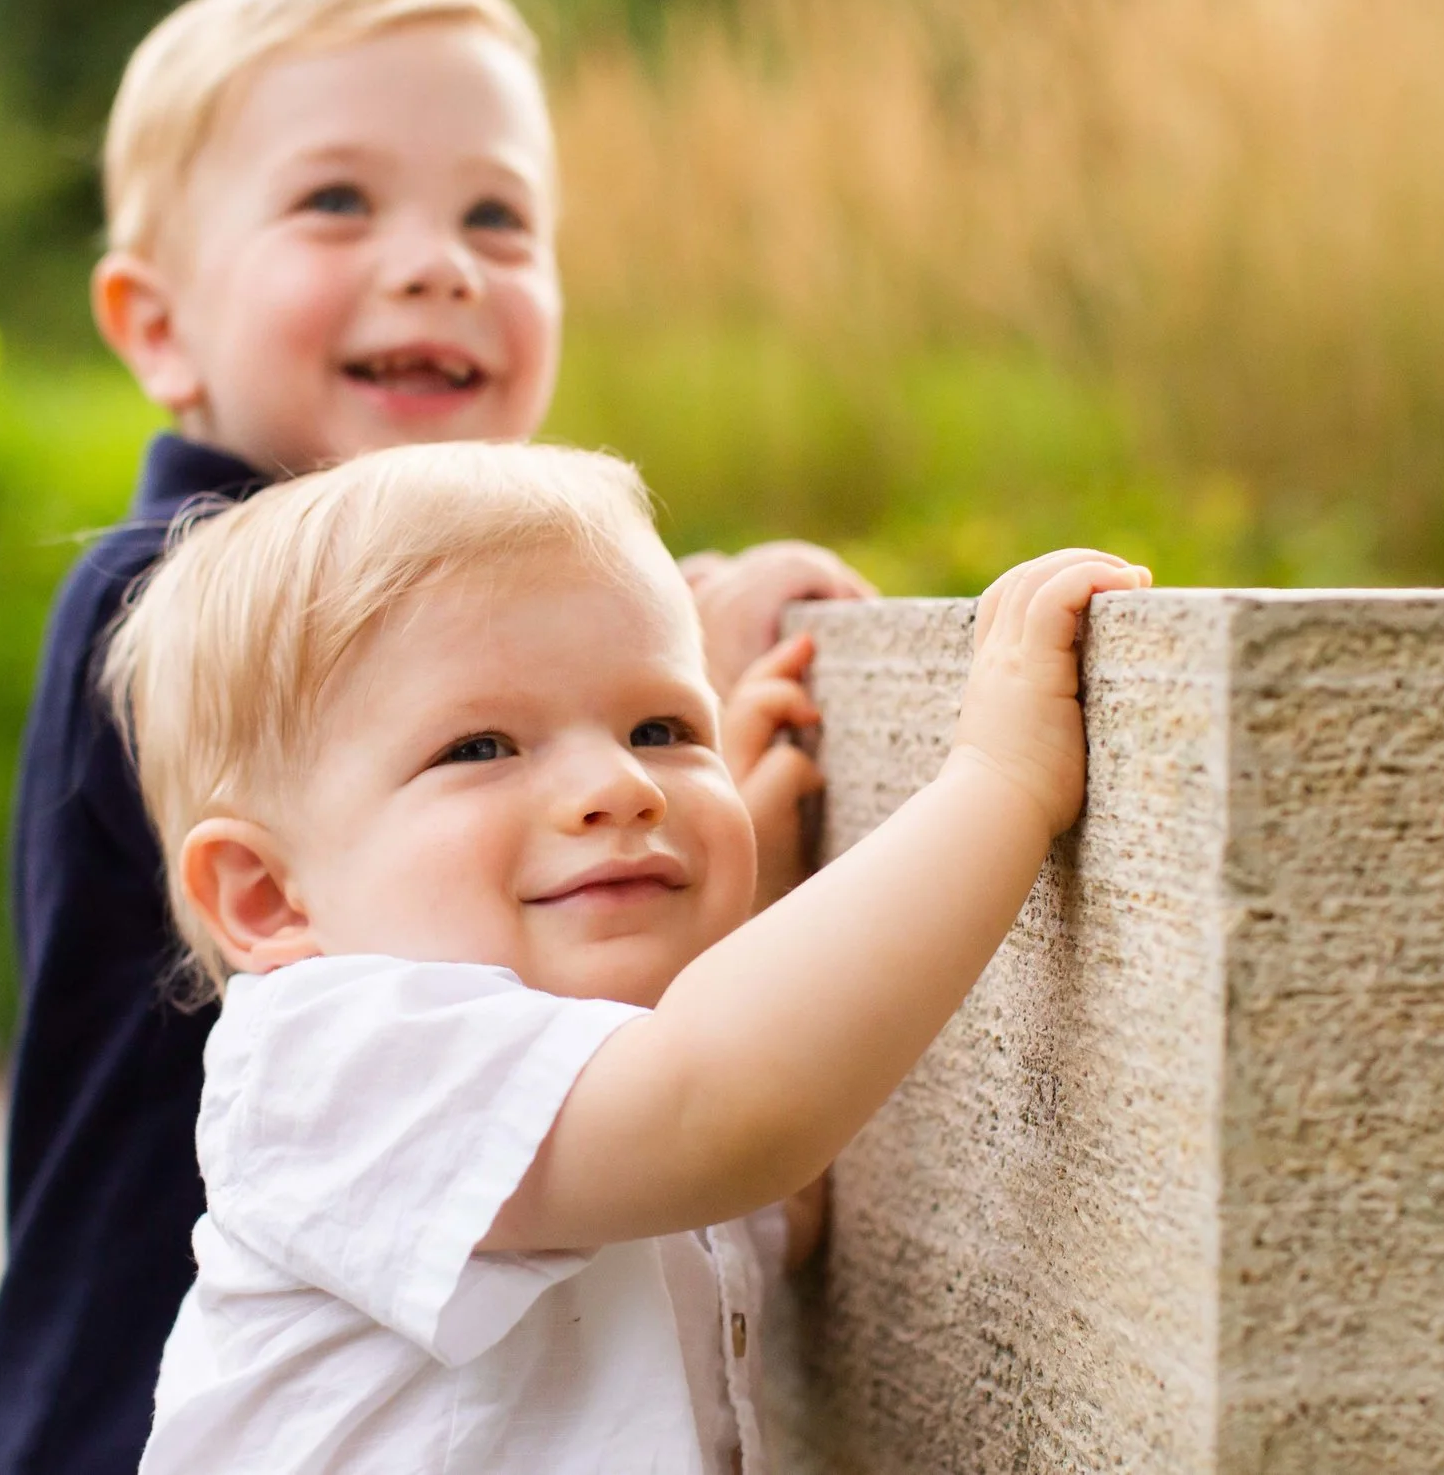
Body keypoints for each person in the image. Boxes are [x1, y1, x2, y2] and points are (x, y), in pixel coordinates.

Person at [0, 0, 873, 1475]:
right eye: (336, 202)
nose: (439, 260)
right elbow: (491, 924)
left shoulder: (372, 615)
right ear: (157, 323)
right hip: (155, 1408)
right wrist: (682, 696)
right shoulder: (174, 604)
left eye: (497, 216)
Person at [99, 441, 1150, 1474]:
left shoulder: (613, 1079)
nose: (620, 785)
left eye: (658, 726)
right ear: (269, 893)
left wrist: (755, 900)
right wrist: (999, 779)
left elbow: (777, 1199)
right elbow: (729, 1114)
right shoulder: (334, 1062)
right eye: (480, 747)